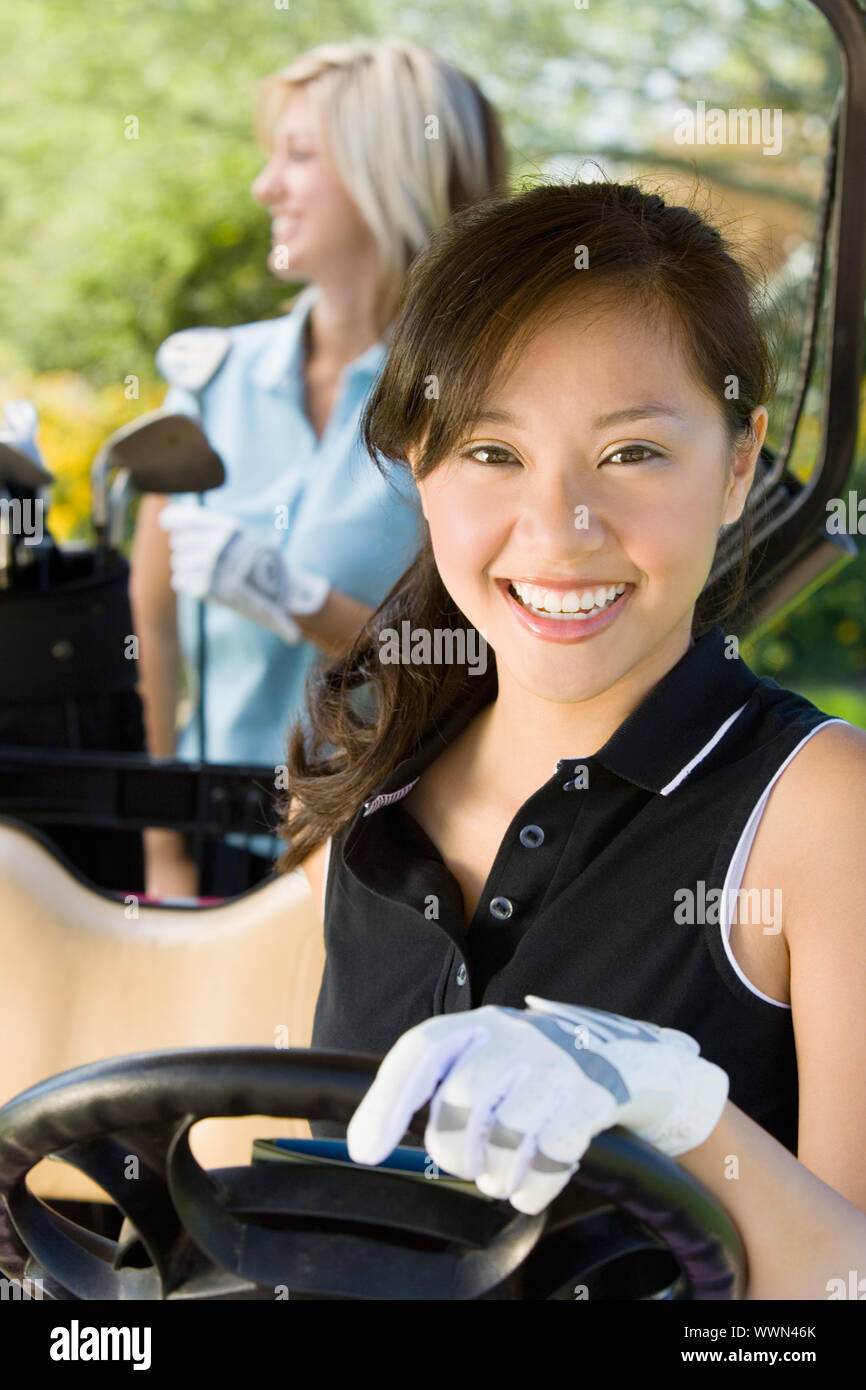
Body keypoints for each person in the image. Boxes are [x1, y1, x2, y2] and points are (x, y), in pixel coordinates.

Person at [282, 180, 866, 1299]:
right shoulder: (366, 802)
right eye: (493, 454)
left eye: (632, 453)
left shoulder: (818, 808)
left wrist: (682, 1112)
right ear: (418, 460)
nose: (559, 530)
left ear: (738, 463)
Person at [129, 38, 508, 899]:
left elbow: (478, 664)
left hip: (386, 860)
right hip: (207, 841)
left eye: (298, 156)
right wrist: (166, 858)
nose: (266, 185)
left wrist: (297, 601)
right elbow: (147, 629)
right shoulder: (210, 379)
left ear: (390, 176)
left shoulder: (471, 402)